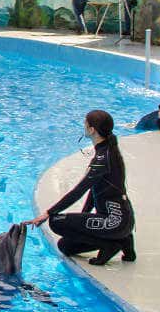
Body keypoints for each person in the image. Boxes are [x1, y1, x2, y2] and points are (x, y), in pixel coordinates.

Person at [28, 110, 136, 266]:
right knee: (65, 246)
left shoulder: (102, 159)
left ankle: (110, 245)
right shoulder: (110, 148)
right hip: (124, 221)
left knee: (56, 221)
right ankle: (124, 241)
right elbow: (93, 191)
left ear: (92, 130)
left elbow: (79, 191)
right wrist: (82, 221)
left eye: (85, 124)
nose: (84, 127)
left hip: (113, 222)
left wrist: (47, 213)